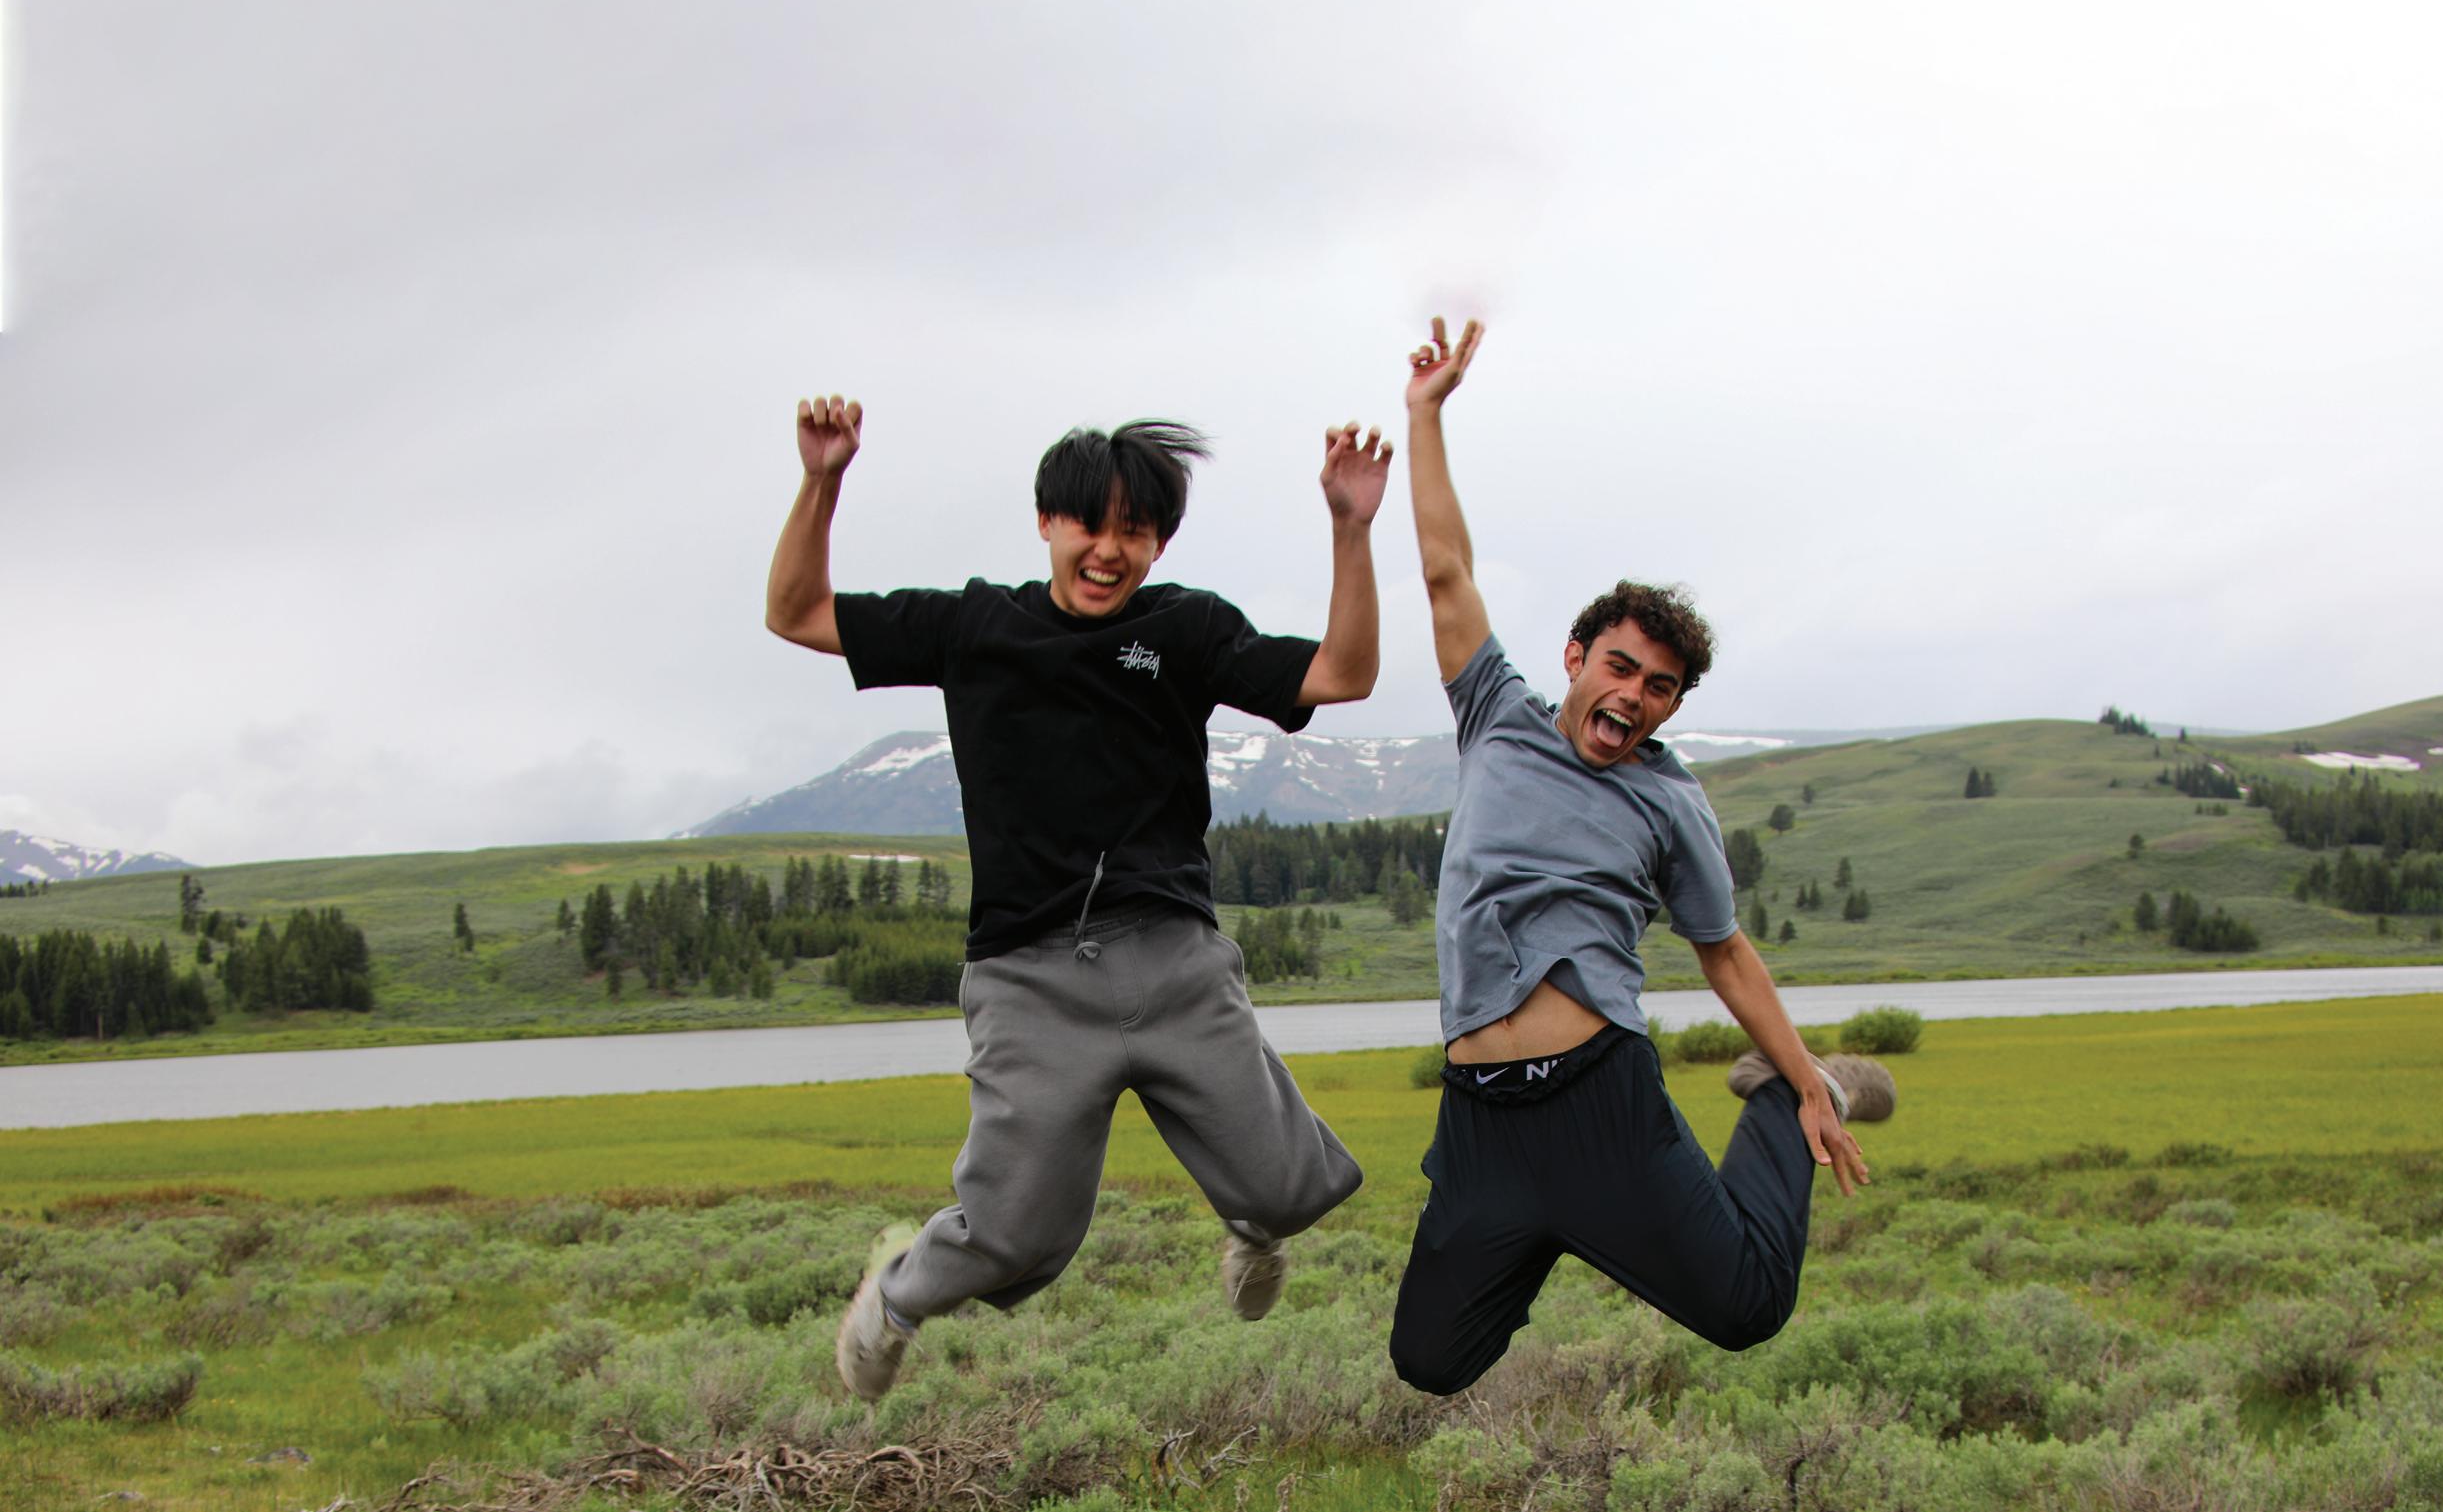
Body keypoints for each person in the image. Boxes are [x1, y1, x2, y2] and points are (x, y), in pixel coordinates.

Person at [765, 394, 1388, 1400]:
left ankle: (1253, 1225)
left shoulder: (1184, 627)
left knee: (1287, 1185)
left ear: (1159, 541)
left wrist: (1349, 527)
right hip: (1029, 976)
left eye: (1132, 530)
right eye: (1088, 525)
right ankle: (897, 1293)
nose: (1108, 550)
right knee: (1014, 1233)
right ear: (1047, 521)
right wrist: (822, 479)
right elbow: (795, 612)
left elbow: (1342, 673)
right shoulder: (975, 624)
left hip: (1173, 960)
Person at [1386, 319, 1896, 1397]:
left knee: (1747, 1305)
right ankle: (1542, 1230)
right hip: (1480, 1119)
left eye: (1657, 687)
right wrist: (1425, 413)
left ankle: (1783, 1097)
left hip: (1599, 1101)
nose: (1631, 695)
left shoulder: (1667, 800)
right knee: (1427, 1360)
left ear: (1668, 706)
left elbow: (1724, 950)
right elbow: (1443, 570)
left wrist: (1799, 1073)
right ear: (1576, 658)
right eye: (1618, 667)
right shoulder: (1495, 715)